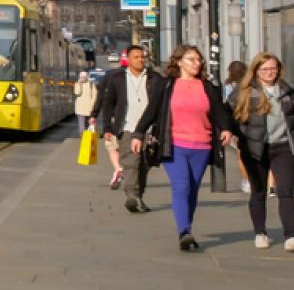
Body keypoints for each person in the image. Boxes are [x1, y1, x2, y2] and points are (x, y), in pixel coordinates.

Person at [230, 53, 294, 252]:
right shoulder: (245, 92)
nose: (269, 72)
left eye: (273, 68)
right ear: (256, 71)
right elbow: (229, 115)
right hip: (255, 149)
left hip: (283, 148)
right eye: (264, 69)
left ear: (279, 69)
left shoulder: (289, 93)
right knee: (259, 192)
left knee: (286, 192)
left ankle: (291, 237)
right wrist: (236, 134)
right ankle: (260, 233)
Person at [148, 44, 235, 251]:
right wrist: (138, 134)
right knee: (181, 186)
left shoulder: (208, 86)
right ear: (178, 62)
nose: (196, 63)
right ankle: (184, 231)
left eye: (198, 60)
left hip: (202, 146)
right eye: (191, 59)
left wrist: (226, 128)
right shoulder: (167, 85)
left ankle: (186, 226)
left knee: (193, 190)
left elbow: (220, 112)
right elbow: (151, 111)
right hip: (174, 144)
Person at [95, 44, 167, 207]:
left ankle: (138, 196)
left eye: (143, 57)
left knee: (144, 164)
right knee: (131, 163)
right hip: (127, 128)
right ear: (128, 59)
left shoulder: (155, 79)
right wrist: (107, 127)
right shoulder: (117, 78)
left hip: (150, 129)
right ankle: (131, 195)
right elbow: (108, 104)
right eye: (136, 57)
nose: (141, 60)